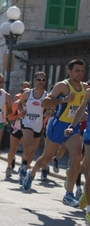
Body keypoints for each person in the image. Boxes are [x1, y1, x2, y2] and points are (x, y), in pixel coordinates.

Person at [22, 59, 86, 208]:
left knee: (77, 156)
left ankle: (68, 194)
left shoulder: (84, 88)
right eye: (77, 71)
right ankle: (31, 174)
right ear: (69, 72)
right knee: (46, 158)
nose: (80, 74)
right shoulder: (63, 86)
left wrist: (83, 114)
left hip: (73, 126)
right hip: (57, 125)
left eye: (82, 71)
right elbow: (45, 103)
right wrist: (63, 99)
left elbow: (80, 107)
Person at [64, 83, 90, 225]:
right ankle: (89, 211)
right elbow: (81, 110)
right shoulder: (89, 93)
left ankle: (73, 173)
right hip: (89, 136)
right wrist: (71, 126)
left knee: (85, 166)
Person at [17, 72, 47, 184]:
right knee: (30, 146)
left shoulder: (46, 95)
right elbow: (19, 104)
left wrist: (48, 113)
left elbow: (50, 108)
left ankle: (25, 168)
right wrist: (21, 110)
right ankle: (23, 166)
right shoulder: (28, 93)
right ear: (35, 81)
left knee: (32, 151)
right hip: (27, 123)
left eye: (43, 80)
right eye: (39, 79)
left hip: (38, 125)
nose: (41, 82)